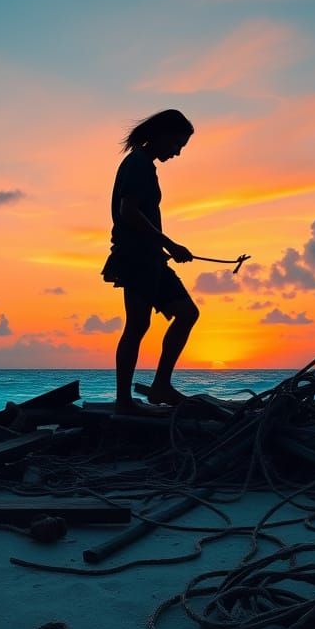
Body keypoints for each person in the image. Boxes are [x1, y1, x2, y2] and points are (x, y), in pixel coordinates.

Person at [101, 109, 200, 414]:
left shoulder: (144, 166)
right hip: (135, 257)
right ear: (161, 135)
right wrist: (168, 242)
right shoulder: (138, 164)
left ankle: (160, 386)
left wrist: (162, 248)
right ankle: (124, 401)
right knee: (138, 325)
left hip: (151, 257)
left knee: (186, 313)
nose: (177, 152)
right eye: (177, 144)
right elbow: (128, 211)